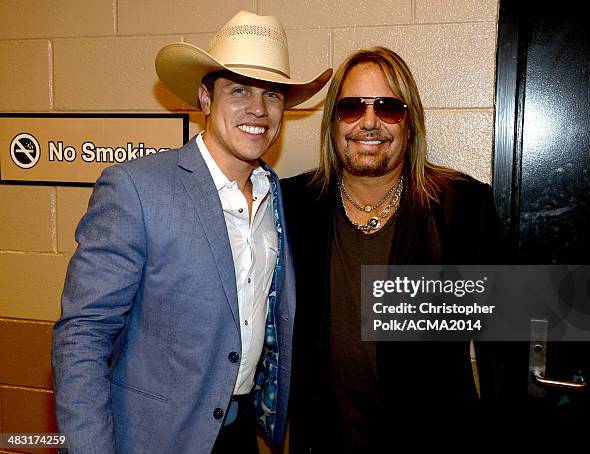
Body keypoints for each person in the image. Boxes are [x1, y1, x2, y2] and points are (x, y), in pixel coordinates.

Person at [52, 10, 331, 454]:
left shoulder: (277, 197)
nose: (258, 109)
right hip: (149, 439)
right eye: (239, 90)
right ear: (206, 98)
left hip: (238, 435)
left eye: (272, 94)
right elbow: (83, 336)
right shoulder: (136, 189)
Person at [281, 47, 502, 452]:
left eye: (388, 107)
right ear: (332, 124)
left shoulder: (461, 207)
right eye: (351, 107)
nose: (368, 122)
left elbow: (501, 349)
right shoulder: (293, 204)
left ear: (410, 122)